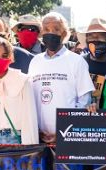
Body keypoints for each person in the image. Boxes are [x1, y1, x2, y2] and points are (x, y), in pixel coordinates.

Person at [28, 12, 95, 144]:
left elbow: (84, 101)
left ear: (64, 34)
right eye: (46, 29)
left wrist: (63, 132)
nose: (51, 32)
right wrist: (34, 130)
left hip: (68, 139)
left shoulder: (77, 61)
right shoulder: (35, 61)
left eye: (56, 29)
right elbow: (30, 99)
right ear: (41, 33)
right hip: (38, 139)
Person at [79, 18, 106, 106]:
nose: (95, 40)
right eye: (91, 36)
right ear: (86, 41)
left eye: (100, 36)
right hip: (82, 116)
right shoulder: (79, 63)